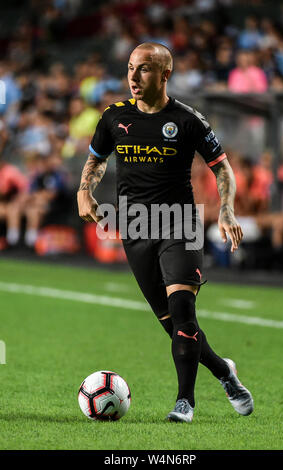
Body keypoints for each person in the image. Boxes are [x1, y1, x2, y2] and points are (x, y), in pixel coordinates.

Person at [77, 42, 254, 423]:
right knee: (174, 327)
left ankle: (184, 402)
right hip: (136, 228)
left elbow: (222, 168)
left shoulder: (188, 120)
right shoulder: (113, 117)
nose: (133, 77)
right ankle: (224, 371)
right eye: (129, 68)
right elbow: (96, 158)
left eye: (143, 69)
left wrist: (226, 210)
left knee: (182, 309)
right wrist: (84, 190)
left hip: (180, 223)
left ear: (164, 74)